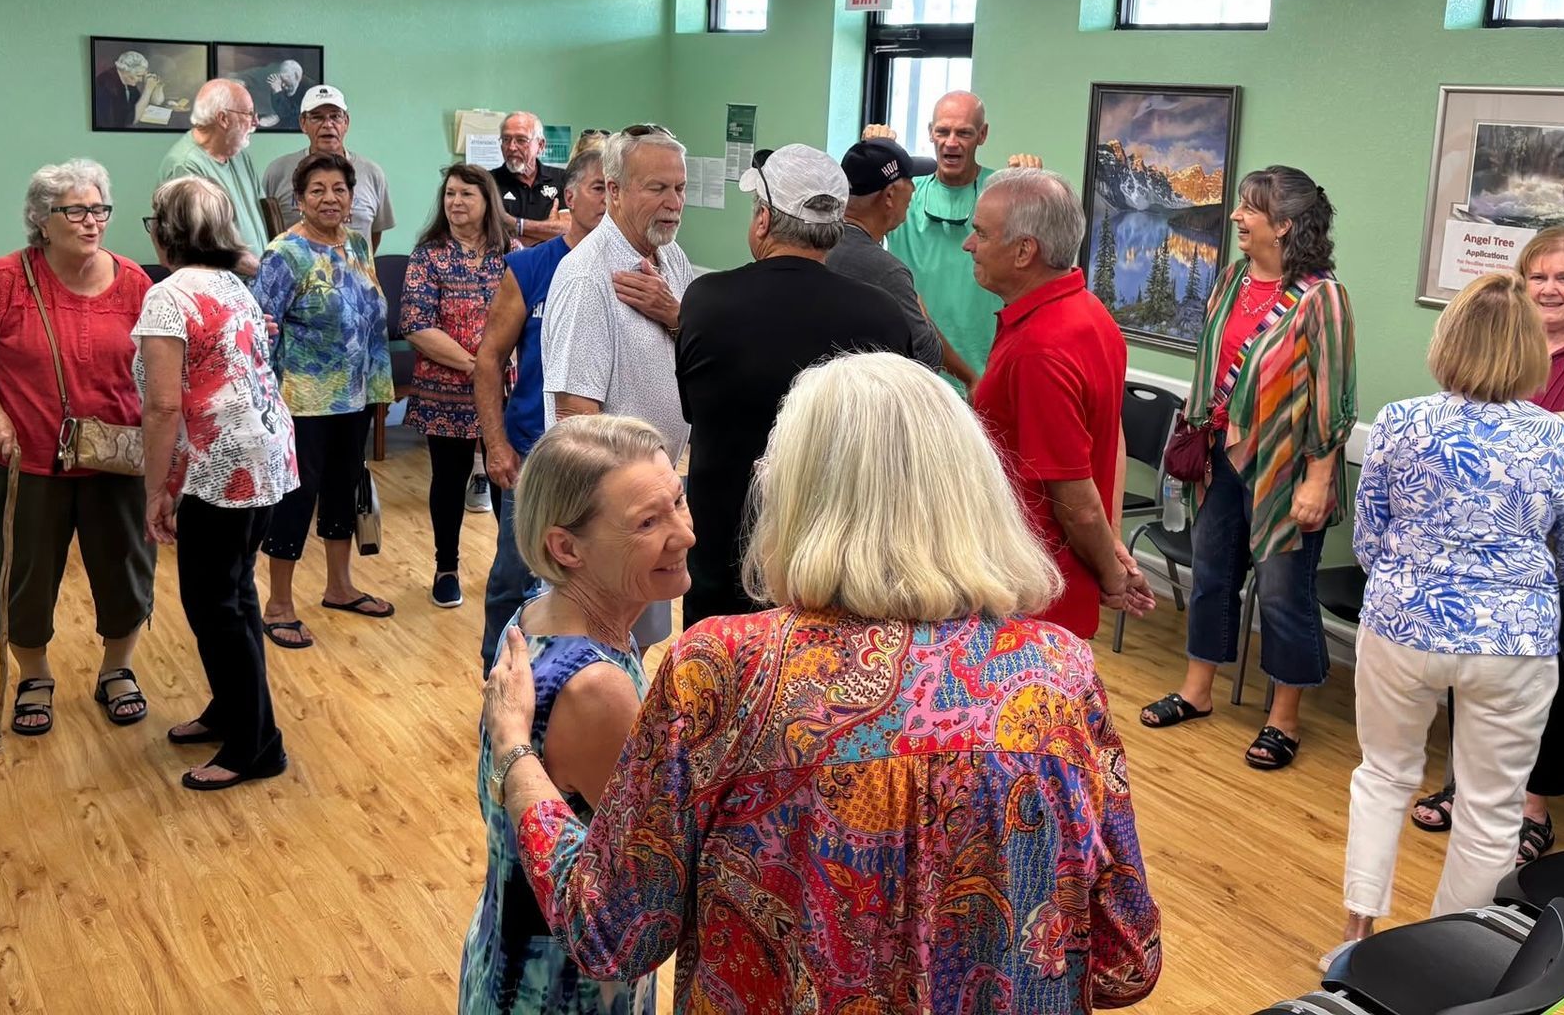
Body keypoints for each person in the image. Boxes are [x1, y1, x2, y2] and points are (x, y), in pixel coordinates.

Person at [482, 353, 1162, 1011]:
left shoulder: (722, 671)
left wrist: (518, 761)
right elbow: (1125, 958)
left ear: (801, 492)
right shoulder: (1058, 674)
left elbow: (610, 933)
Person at [1336, 272, 1564, 952]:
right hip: (1514, 641)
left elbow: (1368, 539)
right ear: (1530, 351)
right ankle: (1445, 954)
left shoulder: (1398, 422)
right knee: (1491, 807)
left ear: (1447, 339)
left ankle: (1355, 932)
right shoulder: (1557, 439)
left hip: (1402, 624)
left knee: (1385, 774)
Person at [1409, 224, 1564, 857]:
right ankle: (1463, 784)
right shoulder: (1499, 343)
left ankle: (1532, 809)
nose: (1549, 289)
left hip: (1553, 551)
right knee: (1471, 668)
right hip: (1474, 547)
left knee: (1550, 684)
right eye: (1537, 276)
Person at [459, 414, 685, 1015]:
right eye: (647, 522)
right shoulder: (597, 690)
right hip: (562, 992)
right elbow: (652, 891)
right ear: (567, 547)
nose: (683, 533)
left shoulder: (538, 613)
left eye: (678, 502)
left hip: (504, 957)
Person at [1141, 165, 1356, 772]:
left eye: (1249, 209)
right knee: (1212, 577)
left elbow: (1335, 397)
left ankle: (1283, 719)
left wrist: (1318, 479)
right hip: (1221, 459)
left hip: (1288, 471)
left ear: (1283, 225)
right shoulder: (1233, 278)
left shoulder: (1323, 297)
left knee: (1286, 596)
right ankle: (1197, 690)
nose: (1236, 216)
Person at [0, 160, 155, 734]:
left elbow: (160, 369)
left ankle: (118, 668)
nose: (92, 222)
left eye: (99, 210)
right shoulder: (4, 280)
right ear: (42, 219)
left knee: (126, 568)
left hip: (115, 457)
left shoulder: (135, 282)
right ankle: (34, 675)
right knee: (21, 573)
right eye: (76, 211)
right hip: (20, 461)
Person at [673, 145, 914, 627]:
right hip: (835, 563)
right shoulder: (882, 315)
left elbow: (691, 409)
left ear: (763, 220)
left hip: (724, 558)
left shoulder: (707, 302)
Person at [137, 177, 299, 791]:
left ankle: (257, 745)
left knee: (216, 606)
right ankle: (235, 711)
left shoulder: (168, 296)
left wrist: (158, 490)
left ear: (163, 231)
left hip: (221, 468)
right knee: (234, 595)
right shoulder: (234, 281)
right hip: (262, 457)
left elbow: (162, 406)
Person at [965, 167, 1153, 638]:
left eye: (981, 233)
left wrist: (1112, 577)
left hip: (1029, 599)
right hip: (1049, 585)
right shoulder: (1091, 314)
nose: (970, 245)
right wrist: (1111, 544)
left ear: (1025, 251)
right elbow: (1111, 444)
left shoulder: (1041, 347)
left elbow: (1076, 500)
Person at [540, 125, 694, 647]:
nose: (673, 203)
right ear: (613, 190)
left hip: (650, 501)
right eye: (657, 188)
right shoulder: (587, 278)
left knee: (638, 643)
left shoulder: (671, 259)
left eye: (680, 188)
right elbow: (576, 417)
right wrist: (610, 518)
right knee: (594, 647)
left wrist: (676, 316)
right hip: (608, 515)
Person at [252, 153, 397, 650]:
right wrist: (264, 403)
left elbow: (370, 316)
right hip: (301, 399)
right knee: (297, 496)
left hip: (354, 396)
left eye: (339, 189)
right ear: (299, 199)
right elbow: (260, 331)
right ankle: (278, 604)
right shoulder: (284, 254)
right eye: (317, 190)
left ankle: (339, 587)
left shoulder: (357, 243)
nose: (330, 198)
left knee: (342, 487)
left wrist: (377, 390)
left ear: (352, 199)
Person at [472, 148, 609, 672]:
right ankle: (497, 679)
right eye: (598, 188)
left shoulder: (631, 271)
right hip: (532, 451)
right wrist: (496, 444)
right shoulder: (530, 267)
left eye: (614, 188)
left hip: (603, 459)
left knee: (594, 579)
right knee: (516, 573)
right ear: (568, 198)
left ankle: (579, 681)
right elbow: (488, 360)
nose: (607, 199)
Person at [401, 163, 513, 610]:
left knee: (508, 480)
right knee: (449, 481)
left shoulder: (510, 253)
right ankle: (446, 567)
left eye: (466, 194)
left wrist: (494, 371)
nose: (455, 202)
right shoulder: (428, 256)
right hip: (445, 390)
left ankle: (511, 568)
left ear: (487, 201)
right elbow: (415, 323)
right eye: (449, 194)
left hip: (507, 391)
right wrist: (476, 365)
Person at [884, 91, 1003, 392]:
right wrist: (875, 147)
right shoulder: (901, 195)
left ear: (983, 135)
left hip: (982, 379)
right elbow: (853, 212)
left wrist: (1031, 177)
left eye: (964, 133)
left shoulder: (1001, 193)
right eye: (943, 131)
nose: (952, 142)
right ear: (930, 133)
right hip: (913, 377)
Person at [828, 136, 941, 369]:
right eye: (910, 180)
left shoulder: (815, 243)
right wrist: (922, 314)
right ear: (890, 195)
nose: (913, 189)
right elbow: (928, 360)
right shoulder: (886, 272)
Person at [260, 85, 395, 251]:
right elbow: (267, 229)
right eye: (317, 118)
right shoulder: (277, 172)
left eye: (335, 117)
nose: (328, 124)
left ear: (346, 122)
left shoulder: (372, 173)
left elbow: (373, 235)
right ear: (303, 123)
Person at [155, 78, 266, 274]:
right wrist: (266, 273)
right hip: (223, 292)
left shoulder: (239, 156)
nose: (256, 122)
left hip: (257, 285)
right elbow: (205, 247)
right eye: (249, 114)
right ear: (223, 119)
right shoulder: (185, 165)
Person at [490, 111, 569, 246]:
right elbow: (493, 236)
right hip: (507, 264)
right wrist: (548, 230)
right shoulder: (488, 182)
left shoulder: (563, 178)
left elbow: (568, 229)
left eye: (521, 140)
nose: (512, 147)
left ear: (541, 145)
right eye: (506, 139)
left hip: (553, 265)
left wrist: (516, 224)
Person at [93, 49, 189, 130]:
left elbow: (153, 102)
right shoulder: (108, 84)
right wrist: (148, 90)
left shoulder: (128, 82)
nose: (140, 80)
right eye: (138, 76)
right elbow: (131, 120)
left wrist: (157, 86)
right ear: (125, 71)